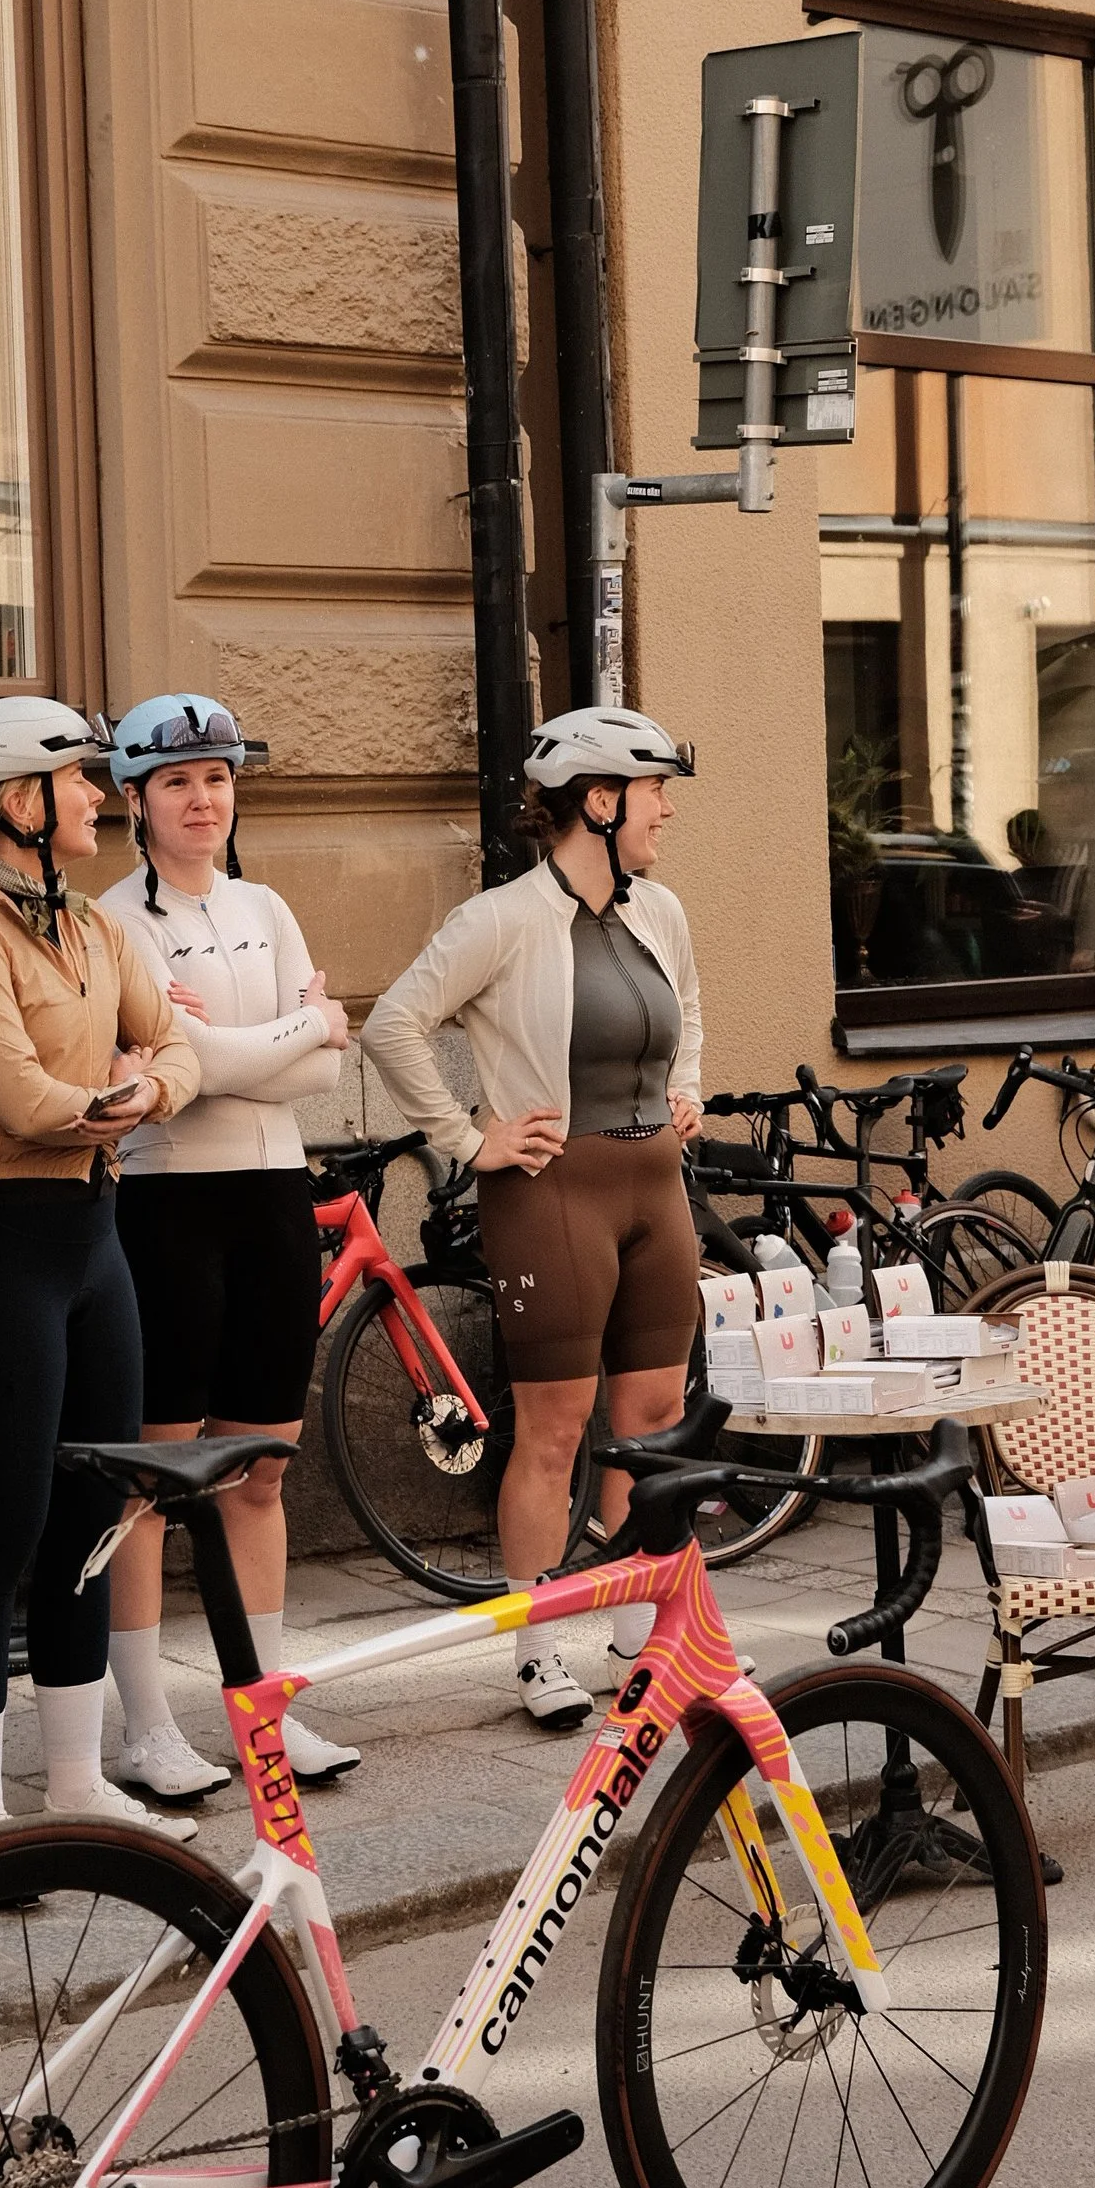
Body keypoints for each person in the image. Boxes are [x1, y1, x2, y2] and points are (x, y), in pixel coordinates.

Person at [360, 707, 704, 1730]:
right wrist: (470, 1142)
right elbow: (391, 1025)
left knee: (651, 1420)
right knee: (553, 1432)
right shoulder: (502, 920)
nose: (665, 811)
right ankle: (538, 1645)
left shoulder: (660, 911)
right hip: (551, 1193)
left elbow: (689, 1005)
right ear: (597, 803)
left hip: (654, 1188)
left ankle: (638, 1627)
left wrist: (688, 1090)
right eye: (652, 794)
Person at [0, 697, 201, 1838]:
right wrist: (125, 1098)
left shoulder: (90, 923)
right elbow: (24, 1102)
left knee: (95, 1517)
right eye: (78, 778)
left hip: (92, 1240)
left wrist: (136, 1091)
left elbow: (169, 1044)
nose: (95, 795)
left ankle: (75, 1784)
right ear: (18, 800)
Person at [95, 695, 360, 1801]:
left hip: (269, 1200)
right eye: (177, 783)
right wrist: (298, 1029)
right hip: (167, 1204)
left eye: (216, 777)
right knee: (152, 1481)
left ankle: (267, 1706)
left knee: (260, 1471)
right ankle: (146, 1727)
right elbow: (190, 1059)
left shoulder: (266, 901)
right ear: (135, 800)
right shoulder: (114, 919)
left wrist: (248, 1047)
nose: (203, 799)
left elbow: (314, 1074)